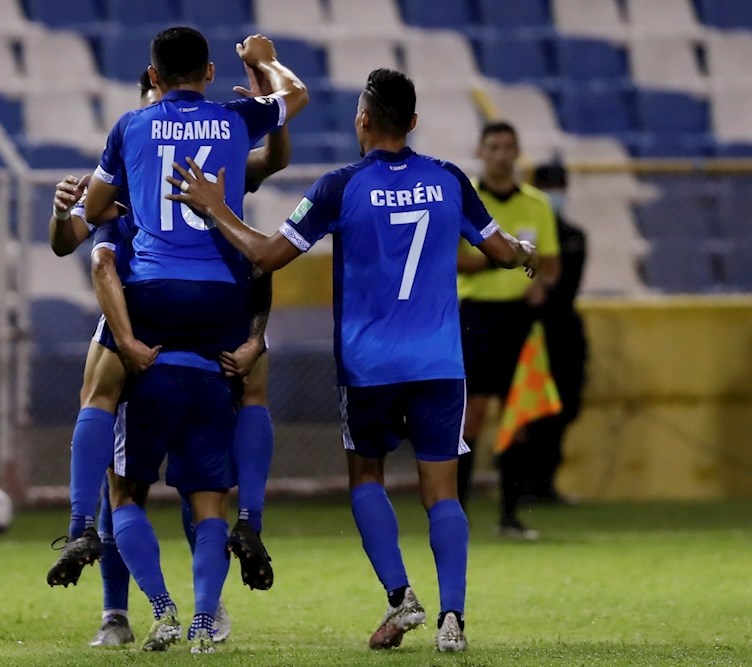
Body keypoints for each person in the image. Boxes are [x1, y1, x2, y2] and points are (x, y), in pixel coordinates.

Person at [167, 68, 539, 653]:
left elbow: (265, 255)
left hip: (369, 367)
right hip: (440, 363)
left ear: (362, 120)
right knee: (442, 491)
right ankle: (453, 620)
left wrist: (216, 207)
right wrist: (521, 250)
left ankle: (400, 598)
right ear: (413, 123)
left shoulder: (340, 187)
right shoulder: (448, 180)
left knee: (367, 478)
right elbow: (496, 251)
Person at [47, 59, 294, 648]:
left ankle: (162, 591)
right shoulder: (126, 178)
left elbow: (273, 160)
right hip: (156, 320)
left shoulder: (195, 164)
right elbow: (76, 244)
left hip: (158, 322)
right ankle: (125, 609)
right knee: (168, 473)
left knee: (132, 469)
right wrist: (61, 210)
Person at [456, 121, 561, 540]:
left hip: (519, 317)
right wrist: (496, 258)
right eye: (494, 146)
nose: (501, 154)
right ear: (481, 152)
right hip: (476, 315)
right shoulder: (467, 200)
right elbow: (449, 258)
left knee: (516, 416)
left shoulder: (536, 204)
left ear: (517, 153)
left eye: (508, 147)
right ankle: (457, 514)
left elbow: (550, 264)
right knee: (472, 415)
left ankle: (510, 516)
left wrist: (542, 286)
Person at [522, 162, 587, 503]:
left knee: (564, 406)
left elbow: (562, 288)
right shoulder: (520, 234)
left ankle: (545, 482)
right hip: (528, 330)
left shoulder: (573, 237)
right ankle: (524, 484)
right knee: (528, 409)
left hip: (560, 329)